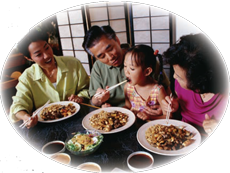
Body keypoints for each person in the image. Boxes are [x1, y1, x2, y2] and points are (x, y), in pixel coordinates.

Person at [10, 28, 90, 128]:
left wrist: (80, 97)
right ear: (29, 58)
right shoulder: (27, 76)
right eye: (39, 54)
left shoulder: (73, 64)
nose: (47, 55)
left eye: (47, 48)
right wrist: (26, 117)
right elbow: (18, 105)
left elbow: (87, 89)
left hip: (77, 120)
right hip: (45, 126)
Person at [82, 25, 170, 114]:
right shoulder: (98, 67)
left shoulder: (142, 59)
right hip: (116, 116)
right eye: (102, 56)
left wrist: (164, 107)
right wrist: (99, 100)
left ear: (117, 40)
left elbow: (167, 92)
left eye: (110, 49)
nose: (110, 57)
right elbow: (93, 102)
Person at [162, 33, 229, 135]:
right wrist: (175, 106)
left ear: (199, 81)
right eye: (174, 72)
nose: (174, 77)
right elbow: (182, 110)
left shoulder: (225, 98)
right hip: (180, 135)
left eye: (179, 77)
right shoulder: (180, 85)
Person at [124, 45, 168, 120]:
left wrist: (150, 117)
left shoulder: (158, 90)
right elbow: (128, 107)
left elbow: (168, 116)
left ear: (147, 71)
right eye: (125, 66)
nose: (126, 72)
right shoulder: (127, 88)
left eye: (132, 68)